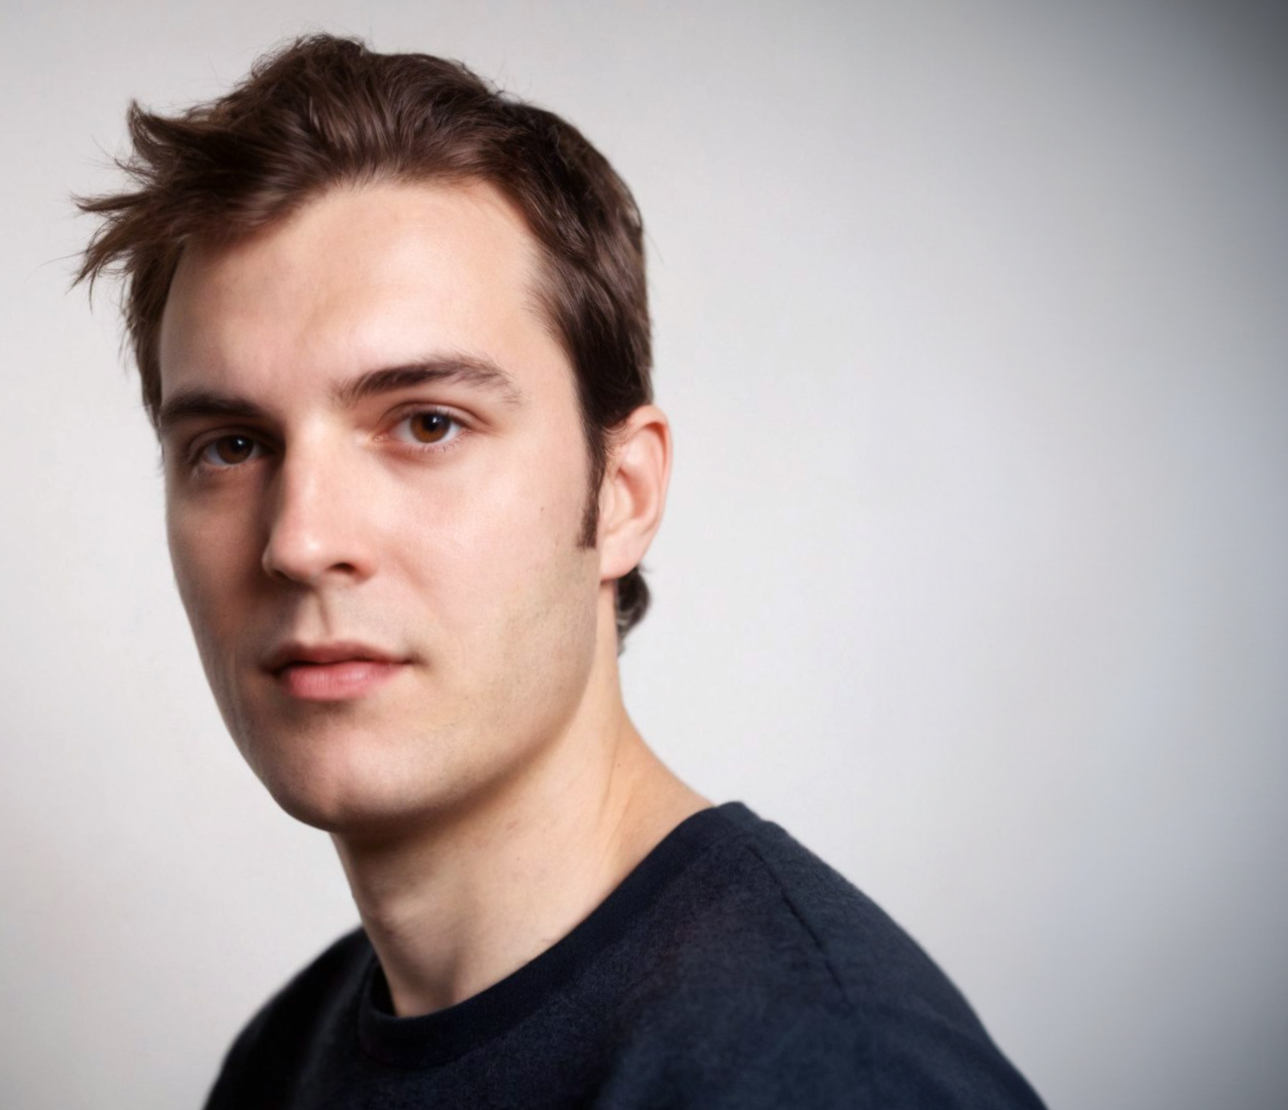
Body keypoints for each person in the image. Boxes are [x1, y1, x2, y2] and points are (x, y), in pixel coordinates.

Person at [75, 33, 1046, 1110]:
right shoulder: (286, 1060)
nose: (299, 542)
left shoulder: (822, 1075)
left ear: (620, 492)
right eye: (231, 446)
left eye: (427, 423)